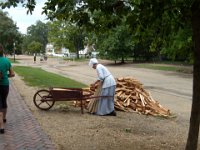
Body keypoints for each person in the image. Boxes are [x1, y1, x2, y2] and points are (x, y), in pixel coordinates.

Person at [0, 44, 15, 134]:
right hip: (5, 85)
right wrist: (5, 76)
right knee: (4, 101)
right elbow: (12, 74)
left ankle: (1, 127)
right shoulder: (6, 61)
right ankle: (4, 118)